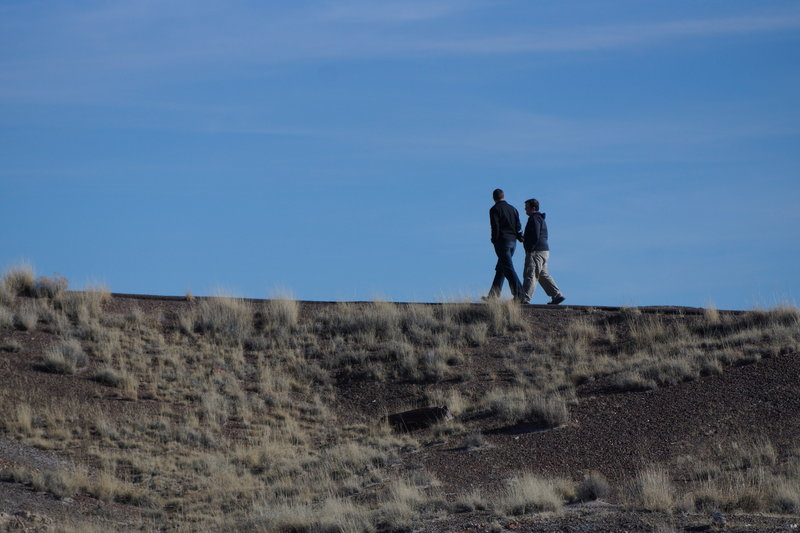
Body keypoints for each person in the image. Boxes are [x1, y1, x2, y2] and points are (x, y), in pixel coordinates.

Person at [520, 198, 566, 305]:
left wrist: (530, 247)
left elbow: (535, 234)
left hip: (536, 251)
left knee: (530, 273)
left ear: (533, 208)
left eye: (526, 207)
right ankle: (557, 295)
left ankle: (525, 298)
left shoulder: (534, 218)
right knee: (542, 274)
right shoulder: (540, 219)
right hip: (544, 251)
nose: (525, 209)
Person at [484, 189, 523, 300]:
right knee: (502, 267)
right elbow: (518, 226)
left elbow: (495, 227)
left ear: (493, 198)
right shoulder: (513, 209)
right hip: (513, 242)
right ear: (503, 196)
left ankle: (520, 294)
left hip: (502, 242)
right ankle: (493, 295)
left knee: (508, 268)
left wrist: (494, 240)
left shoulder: (494, 209)